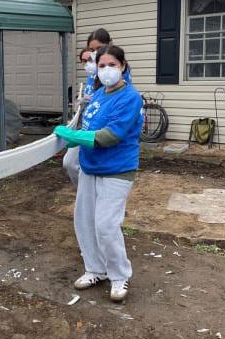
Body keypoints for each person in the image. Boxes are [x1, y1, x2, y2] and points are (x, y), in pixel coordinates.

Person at [54, 45, 143, 302]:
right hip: (90, 168)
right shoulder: (98, 94)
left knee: (106, 225)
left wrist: (73, 136)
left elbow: (110, 136)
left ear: (123, 66)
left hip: (117, 170)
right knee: (84, 222)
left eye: (112, 65)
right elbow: (89, 125)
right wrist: (74, 135)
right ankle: (95, 269)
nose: (106, 70)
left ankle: (119, 276)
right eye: (101, 65)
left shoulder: (130, 98)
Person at [63, 28, 132, 186]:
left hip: (102, 127)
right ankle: (84, 190)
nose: (95, 53)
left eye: (99, 48)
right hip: (88, 124)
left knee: (90, 165)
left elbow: (112, 96)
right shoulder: (94, 70)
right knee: (70, 163)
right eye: (92, 49)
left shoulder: (113, 73)